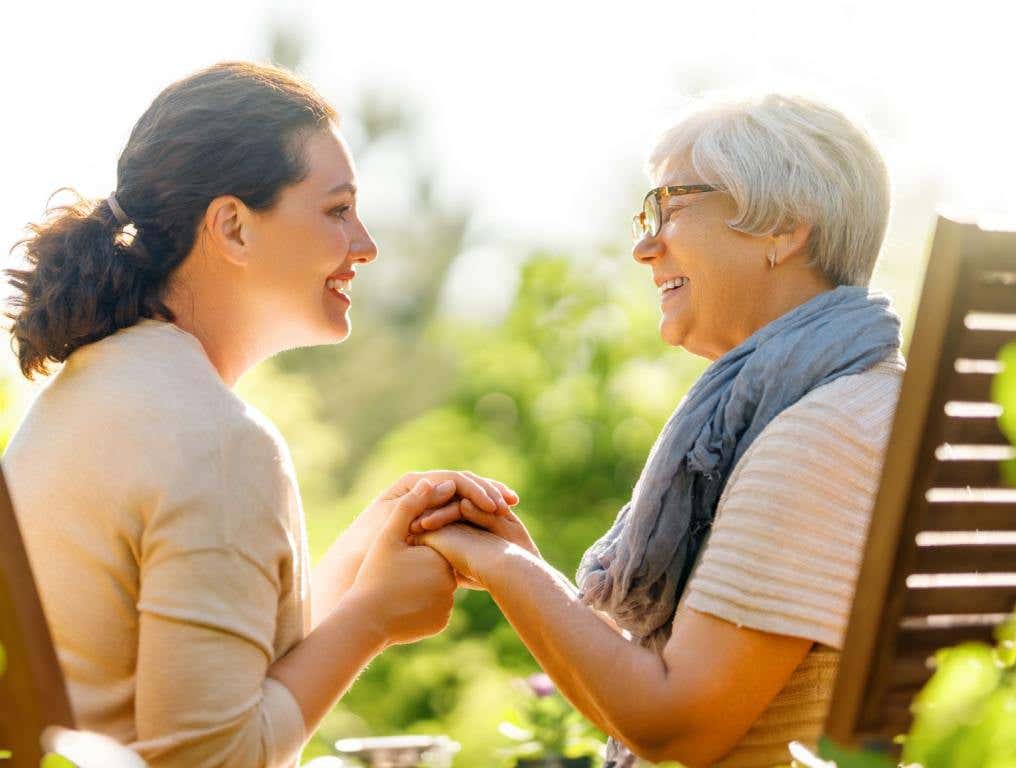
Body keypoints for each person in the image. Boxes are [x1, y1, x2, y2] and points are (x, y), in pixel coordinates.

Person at [2, 62, 516, 768]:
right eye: (337, 209)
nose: (365, 244)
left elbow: (216, 678)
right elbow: (208, 760)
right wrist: (373, 619)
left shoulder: (88, 392)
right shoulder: (217, 442)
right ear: (234, 228)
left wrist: (366, 556)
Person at [411, 94, 905, 768]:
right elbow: (666, 700)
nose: (645, 246)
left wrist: (497, 566)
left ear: (784, 227)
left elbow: (675, 729)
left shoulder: (820, 437)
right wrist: (524, 562)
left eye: (671, 206)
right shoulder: (876, 407)